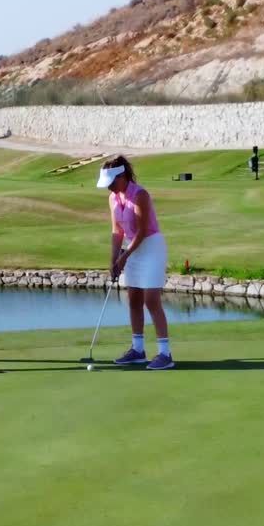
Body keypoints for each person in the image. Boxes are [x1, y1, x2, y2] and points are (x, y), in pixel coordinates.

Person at [97, 155, 174, 370]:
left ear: (122, 176)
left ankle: (165, 354)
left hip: (151, 248)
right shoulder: (113, 198)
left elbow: (141, 232)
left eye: (112, 183)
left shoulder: (140, 195)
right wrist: (113, 259)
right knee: (134, 299)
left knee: (151, 299)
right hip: (132, 249)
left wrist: (124, 257)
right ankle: (138, 350)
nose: (109, 188)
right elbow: (117, 231)